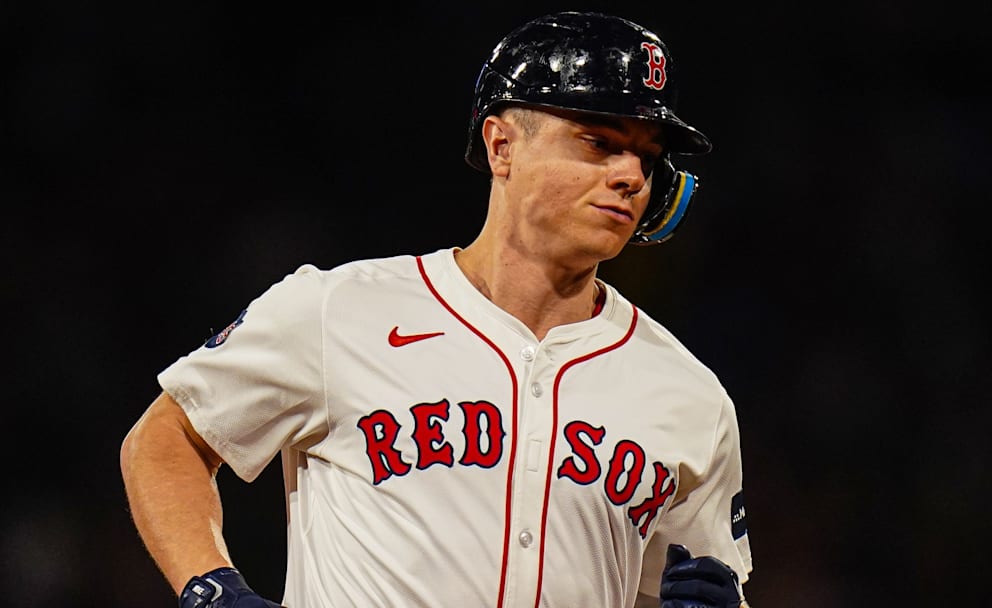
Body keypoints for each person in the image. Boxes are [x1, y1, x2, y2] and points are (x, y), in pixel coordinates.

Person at [120, 11, 753, 608]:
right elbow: (166, 438)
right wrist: (213, 590)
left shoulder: (690, 398)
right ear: (502, 146)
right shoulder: (340, 311)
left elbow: (695, 583)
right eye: (597, 141)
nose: (631, 176)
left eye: (646, 156)